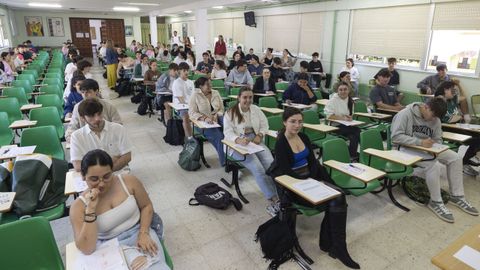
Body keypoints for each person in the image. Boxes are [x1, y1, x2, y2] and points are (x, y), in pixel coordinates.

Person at [271, 107, 360, 269]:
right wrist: (307, 181)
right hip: (294, 186)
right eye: (292, 122)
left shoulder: (304, 137)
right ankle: (332, 245)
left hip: (310, 179)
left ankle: (337, 246)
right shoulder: (281, 143)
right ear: (284, 122)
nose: (297, 125)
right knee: (335, 201)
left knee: (338, 197)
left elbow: (313, 162)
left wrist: (316, 179)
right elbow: (286, 172)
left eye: (300, 122)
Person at [69, 149, 170, 270]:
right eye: (94, 179)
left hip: (140, 231)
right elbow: (87, 248)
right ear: (83, 177)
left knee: (156, 267)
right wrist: (90, 209)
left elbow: (146, 206)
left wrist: (144, 232)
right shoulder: (79, 206)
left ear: (112, 171)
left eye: (106, 176)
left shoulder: (128, 181)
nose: (101, 184)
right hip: (109, 245)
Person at [391, 97, 478, 223]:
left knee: (455, 158)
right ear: (426, 107)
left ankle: (457, 196)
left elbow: (438, 139)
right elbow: (396, 137)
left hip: (426, 148)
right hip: (404, 148)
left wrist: (435, 146)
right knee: (433, 165)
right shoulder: (405, 114)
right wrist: (420, 142)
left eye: (436, 117)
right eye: (432, 115)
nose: (433, 119)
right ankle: (435, 201)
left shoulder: (436, 118)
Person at [223, 87, 279, 216]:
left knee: (271, 164)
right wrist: (237, 139)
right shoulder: (231, 112)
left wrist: (260, 134)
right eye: (245, 97)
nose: (248, 100)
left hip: (255, 141)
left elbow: (265, 125)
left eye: (250, 97)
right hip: (236, 145)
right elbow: (227, 132)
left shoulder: (256, 109)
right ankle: (273, 199)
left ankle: (279, 192)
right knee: (257, 167)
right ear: (239, 98)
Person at [70, 98, 131, 172]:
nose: (97, 119)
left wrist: (106, 172)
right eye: (91, 116)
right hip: (92, 178)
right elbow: (77, 166)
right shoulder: (76, 136)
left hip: (118, 172)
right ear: (83, 118)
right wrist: (111, 161)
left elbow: (127, 157)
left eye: (99, 114)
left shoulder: (118, 129)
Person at [434, 81, 480, 176]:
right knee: (477, 140)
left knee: (478, 136)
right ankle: (466, 162)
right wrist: (461, 116)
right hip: (447, 128)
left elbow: (464, 98)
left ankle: (467, 161)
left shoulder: (452, 99)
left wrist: (459, 85)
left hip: (457, 126)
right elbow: (448, 120)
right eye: (452, 90)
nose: (454, 92)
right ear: (445, 90)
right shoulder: (439, 101)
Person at [189, 77, 225, 166]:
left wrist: (217, 114)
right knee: (220, 137)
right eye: (207, 84)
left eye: (210, 83)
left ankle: (236, 157)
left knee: (230, 131)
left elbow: (221, 108)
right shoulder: (195, 95)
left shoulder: (216, 93)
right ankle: (226, 163)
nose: (210, 86)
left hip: (217, 118)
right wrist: (204, 118)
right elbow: (192, 113)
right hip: (202, 123)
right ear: (200, 86)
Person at [324, 82, 360, 160]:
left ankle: (351, 155)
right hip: (335, 126)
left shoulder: (350, 100)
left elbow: (350, 114)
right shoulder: (333, 100)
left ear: (349, 90)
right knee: (357, 130)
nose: (343, 91)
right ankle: (353, 154)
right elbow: (329, 116)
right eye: (341, 90)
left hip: (347, 125)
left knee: (353, 137)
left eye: (345, 89)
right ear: (337, 91)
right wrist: (343, 118)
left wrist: (350, 117)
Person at [172, 62, 195, 138]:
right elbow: (181, 99)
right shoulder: (176, 82)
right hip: (181, 106)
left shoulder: (191, 82)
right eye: (184, 70)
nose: (186, 72)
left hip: (190, 105)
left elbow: (193, 96)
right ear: (179, 71)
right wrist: (191, 107)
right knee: (186, 116)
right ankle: (189, 138)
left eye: (187, 70)